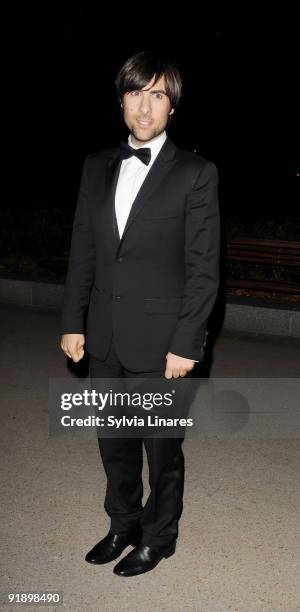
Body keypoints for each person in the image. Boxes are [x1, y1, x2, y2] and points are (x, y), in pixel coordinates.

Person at [60, 51, 220, 577]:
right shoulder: (96, 165)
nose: (145, 106)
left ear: (172, 106)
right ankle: (123, 524)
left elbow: (203, 270)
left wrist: (186, 343)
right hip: (104, 335)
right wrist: (71, 319)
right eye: (135, 93)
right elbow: (84, 246)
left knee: (161, 452)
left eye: (157, 95)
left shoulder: (196, 173)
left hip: (162, 344)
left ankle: (158, 537)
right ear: (122, 100)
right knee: (115, 445)